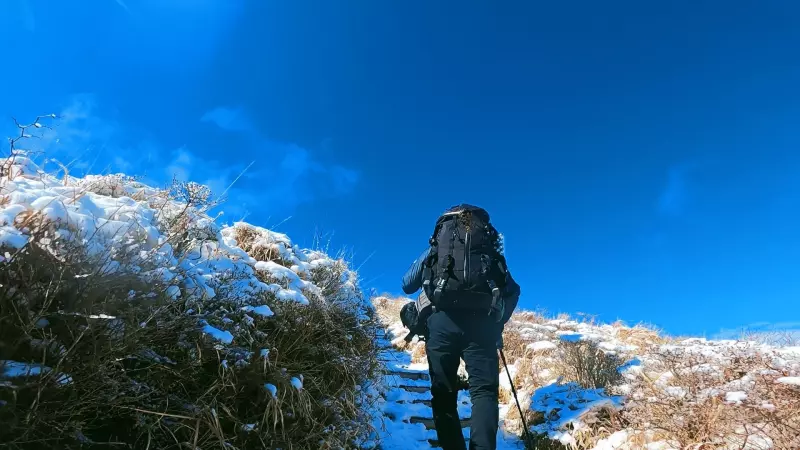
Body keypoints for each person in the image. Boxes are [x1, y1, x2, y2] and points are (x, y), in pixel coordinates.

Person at [401, 204, 520, 450]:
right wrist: (498, 323)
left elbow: (407, 284)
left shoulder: (435, 249)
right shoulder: (490, 249)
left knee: (443, 394)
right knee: (484, 393)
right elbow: (512, 290)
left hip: (441, 322)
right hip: (482, 325)